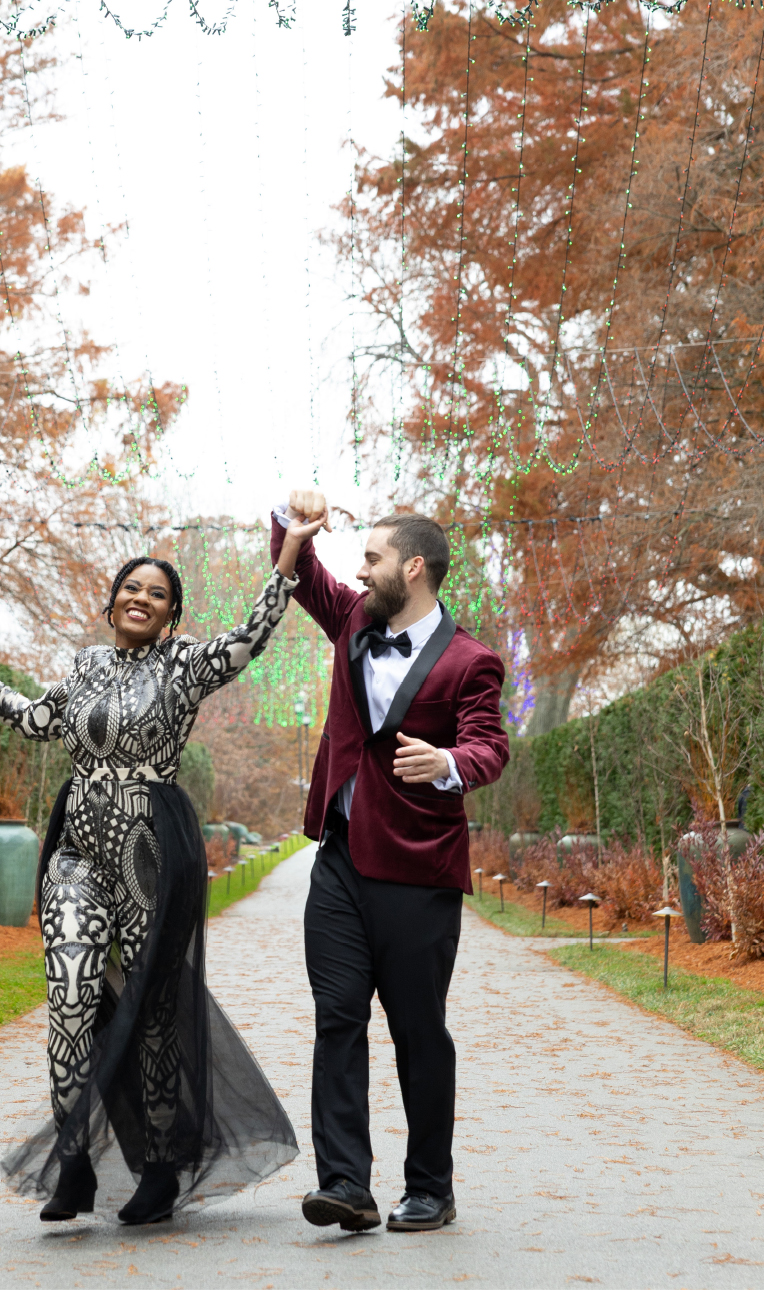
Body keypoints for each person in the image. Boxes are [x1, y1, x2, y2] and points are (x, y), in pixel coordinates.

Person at [0, 509, 323, 1226]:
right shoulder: (85, 667)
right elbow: (33, 719)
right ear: (111, 604)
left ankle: (161, 1165)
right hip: (79, 847)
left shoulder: (186, 665)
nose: (141, 597)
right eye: (130, 588)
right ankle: (73, 1164)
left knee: (153, 1009)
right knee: (70, 991)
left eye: (157, 593)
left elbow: (251, 637)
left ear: (171, 615)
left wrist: (290, 550)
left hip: (151, 852)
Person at [270, 489, 509, 1236]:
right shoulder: (351, 619)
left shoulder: (471, 660)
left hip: (418, 867)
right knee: (337, 1018)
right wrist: (290, 515)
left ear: (412, 567)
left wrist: (446, 760)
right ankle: (345, 1184)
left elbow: (490, 746)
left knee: (417, 1029)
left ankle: (431, 1189)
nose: (359, 568)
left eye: (371, 558)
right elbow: (300, 570)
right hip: (339, 864)